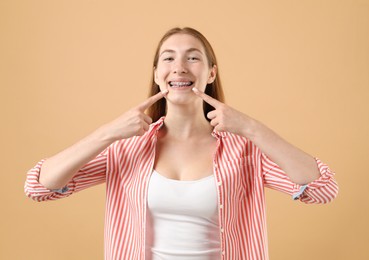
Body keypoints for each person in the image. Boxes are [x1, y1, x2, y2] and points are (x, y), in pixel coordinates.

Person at [25, 27, 338, 260]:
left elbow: (322, 189)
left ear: (211, 73)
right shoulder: (128, 147)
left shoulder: (244, 149)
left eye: (193, 57)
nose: (180, 67)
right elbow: (39, 188)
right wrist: (108, 132)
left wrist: (251, 128)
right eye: (169, 58)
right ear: (158, 73)